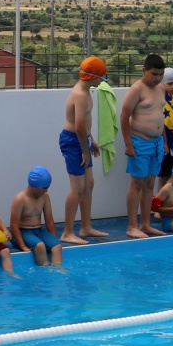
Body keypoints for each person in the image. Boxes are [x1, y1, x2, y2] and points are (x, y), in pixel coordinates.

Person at [58, 56, 110, 244]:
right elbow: (79, 126)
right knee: (78, 188)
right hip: (73, 142)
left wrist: (91, 140)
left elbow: (84, 125)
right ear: (93, 77)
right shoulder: (80, 94)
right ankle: (67, 232)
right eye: (101, 78)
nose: (102, 82)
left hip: (82, 140)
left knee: (89, 184)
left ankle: (86, 227)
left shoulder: (86, 91)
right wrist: (85, 151)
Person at [119, 54, 168, 239]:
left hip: (156, 144)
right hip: (139, 142)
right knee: (137, 183)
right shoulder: (137, 89)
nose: (157, 78)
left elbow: (160, 115)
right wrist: (128, 144)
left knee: (150, 184)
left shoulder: (161, 88)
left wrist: (164, 141)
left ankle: (145, 224)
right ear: (144, 71)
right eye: (154, 74)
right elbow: (124, 116)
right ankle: (132, 226)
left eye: (161, 74)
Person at [9, 167, 63, 267]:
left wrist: (52, 239)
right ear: (34, 186)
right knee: (40, 246)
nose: (46, 190)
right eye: (44, 188)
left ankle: (57, 271)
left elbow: (49, 221)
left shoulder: (45, 197)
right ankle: (44, 271)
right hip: (23, 232)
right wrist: (22, 245)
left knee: (57, 246)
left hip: (38, 231)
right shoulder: (20, 199)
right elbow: (13, 225)